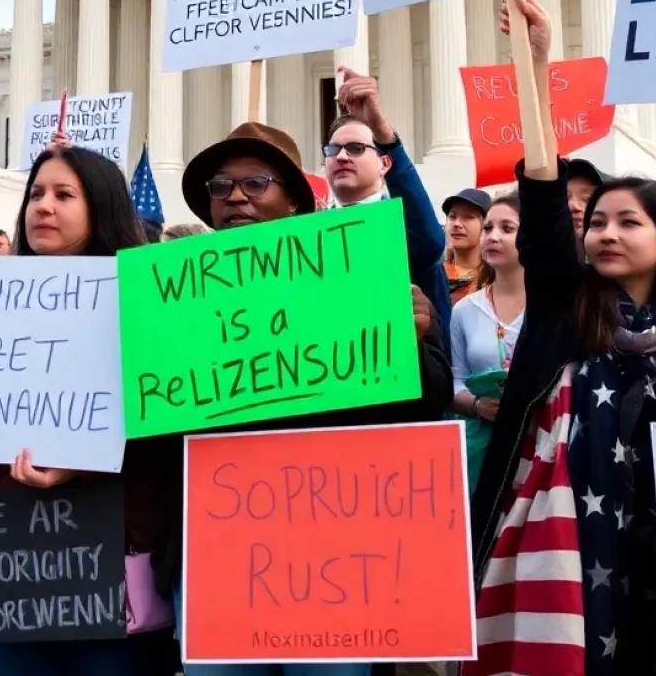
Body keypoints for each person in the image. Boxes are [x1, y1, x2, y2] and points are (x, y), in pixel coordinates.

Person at [467, 0, 656, 676]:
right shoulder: (563, 308)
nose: (605, 232)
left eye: (627, 222)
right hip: (567, 554)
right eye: (597, 220)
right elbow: (543, 196)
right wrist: (533, 71)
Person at [177, 121, 453, 676]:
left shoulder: (360, 280)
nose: (235, 196)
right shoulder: (177, 302)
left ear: (295, 204)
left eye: (256, 183)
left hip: (333, 551)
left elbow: (430, 402)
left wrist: (412, 344)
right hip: (223, 543)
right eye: (220, 186)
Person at [0, 143, 177, 676]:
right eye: (36, 194)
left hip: (107, 550)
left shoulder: (151, 302)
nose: (43, 206)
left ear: (104, 206)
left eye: (64, 194)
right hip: (5, 552)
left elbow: (169, 424)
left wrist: (79, 462)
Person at [326, 67, 453, 334]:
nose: (341, 157)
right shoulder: (307, 237)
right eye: (334, 149)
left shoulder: (404, 229)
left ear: (385, 164)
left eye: (356, 149)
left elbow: (429, 241)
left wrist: (382, 132)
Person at [450, 193, 524, 491]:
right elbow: (455, 382)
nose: (493, 237)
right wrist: (479, 405)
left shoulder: (553, 310)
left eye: (507, 229)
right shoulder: (465, 310)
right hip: (481, 451)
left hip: (538, 446)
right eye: (488, 228)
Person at [443, 188, 491, 303]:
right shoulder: (435, 275)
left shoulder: (495, 279)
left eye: (469, 217)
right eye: (452, 216)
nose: (457, 224)